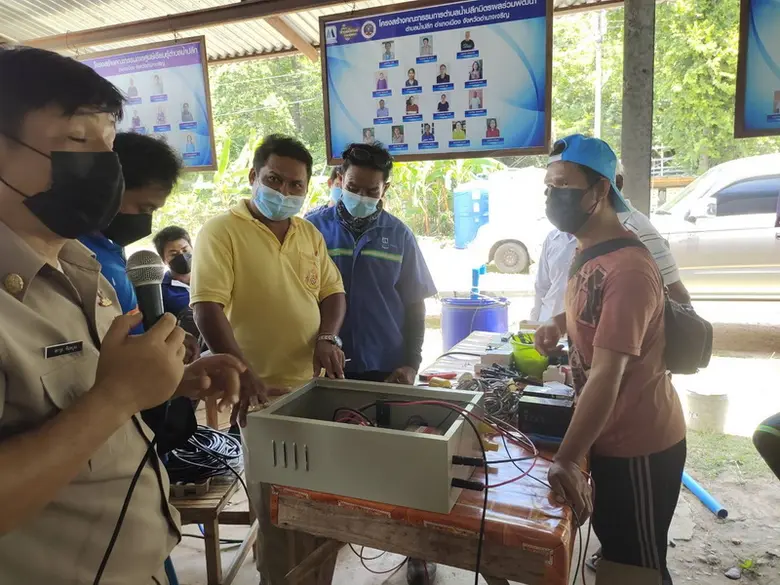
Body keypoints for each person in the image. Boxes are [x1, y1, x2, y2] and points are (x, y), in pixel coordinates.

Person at [0, 45, 244, 585]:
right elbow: (106, 401)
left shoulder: (81, 264)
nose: (102, 170)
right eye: (76, 143)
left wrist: (173, 381)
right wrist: (119, 396)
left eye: (108, 149)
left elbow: (85, 400)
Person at [191, 135, 347, 584]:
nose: (284, 191)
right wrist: (243, 372)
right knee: (277, 507)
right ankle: (277, 577)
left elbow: (333, 291)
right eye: (274, 179)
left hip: (312, 387)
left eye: (296, 185)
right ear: (253, 177)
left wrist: (328, 336)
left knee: (322, 503)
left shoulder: (307, 232)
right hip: (261, 394)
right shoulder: (222, 231)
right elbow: (207, 307)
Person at [535, 134, 686, 585]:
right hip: (608, 436)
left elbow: (608, 375)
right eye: (547, 188)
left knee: (633, 568)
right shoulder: (587, 249)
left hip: (639, 445)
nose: (550, 197)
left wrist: (566, 458)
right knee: (620, 549)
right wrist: (559, 323)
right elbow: (591, 305)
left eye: (561, 187)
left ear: (600, 192)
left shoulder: (631, 268)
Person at [307, 142, 437, 585]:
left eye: (371, 190)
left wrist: (410, 362)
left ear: (385, 190)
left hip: (386, 366)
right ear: (339, 181)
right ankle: (330, 541)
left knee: (401, 463)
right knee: (334, 462)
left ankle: (413, 549)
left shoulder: (398, 234)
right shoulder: (310, 231)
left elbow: (414, 305)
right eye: (353, 186)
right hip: (328, 369)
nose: (361, 195)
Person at [531, 161, 692, 323]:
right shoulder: (556, 236)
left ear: (606, 187)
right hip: (559, 336)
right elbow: (542, 289)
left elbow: (678, 297)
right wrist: (541, 326)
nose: (554, 194)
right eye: (551, 186)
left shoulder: (637, 233)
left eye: (565, 184)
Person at [153, 226, 194, 318]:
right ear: (163, 260)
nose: (182, 256)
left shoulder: (212, 276)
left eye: (185, 250)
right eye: (174, 254)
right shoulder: (159, 291)